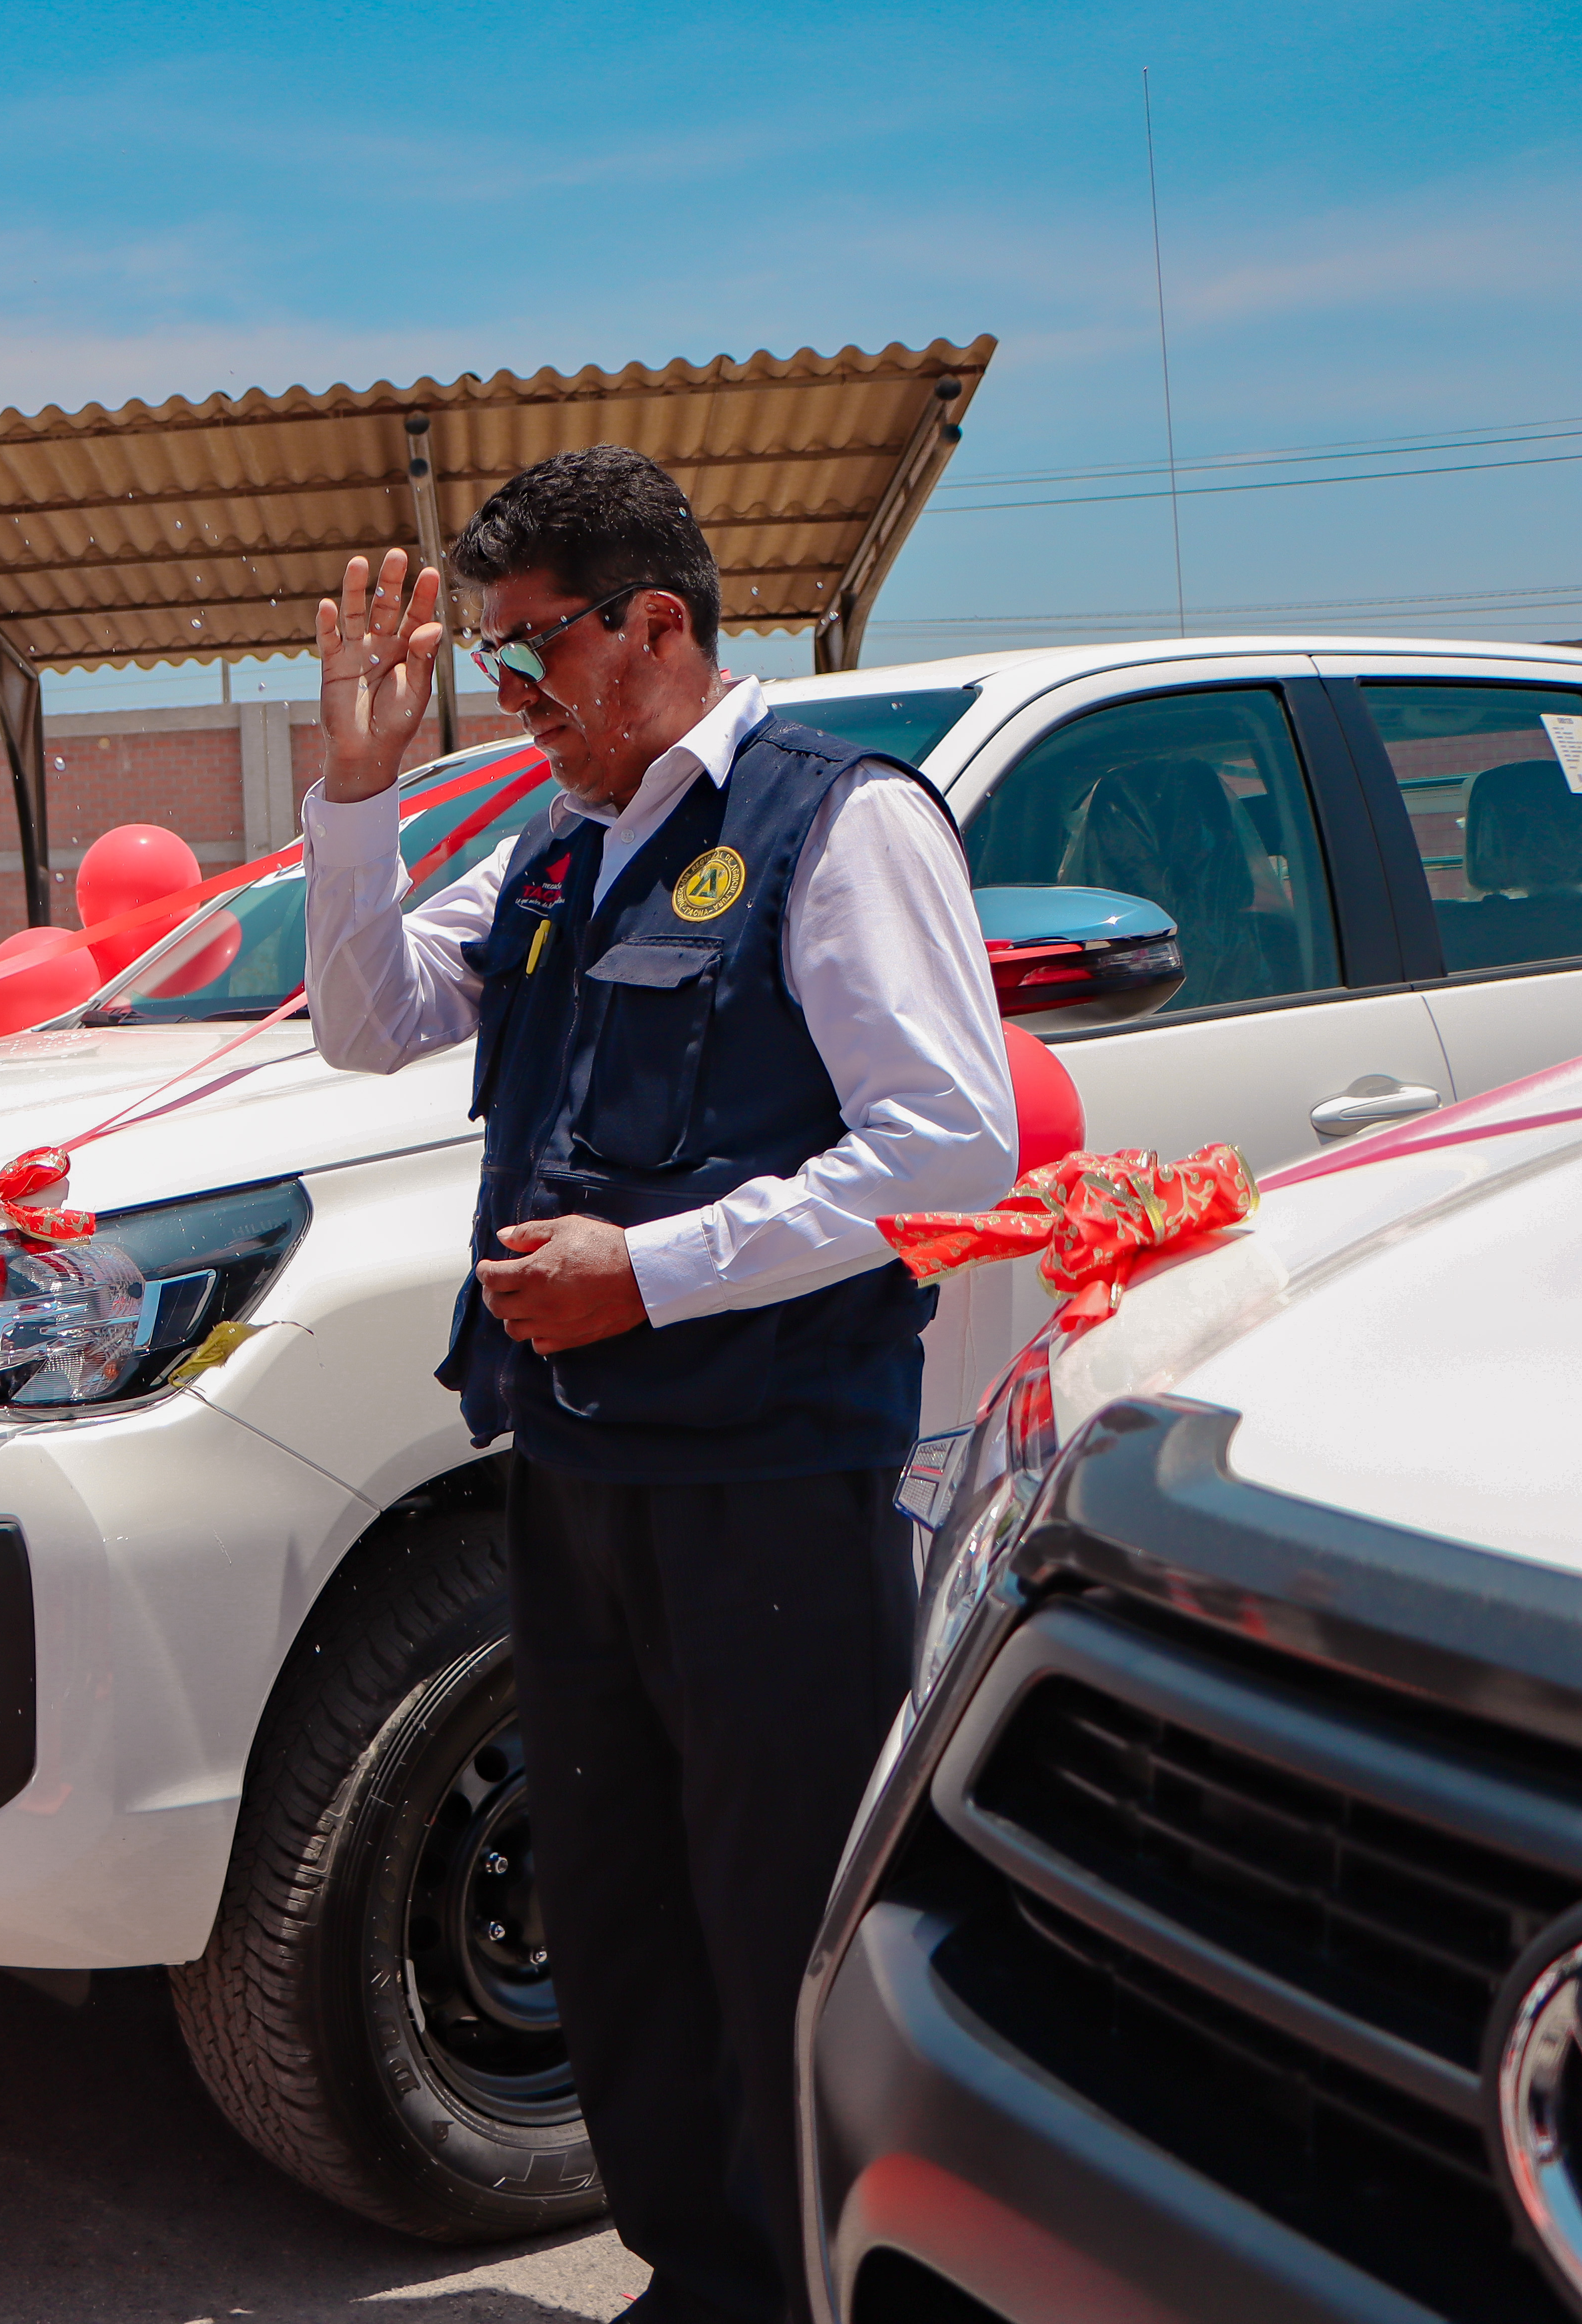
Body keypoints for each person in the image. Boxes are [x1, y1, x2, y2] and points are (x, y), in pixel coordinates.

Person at [298, 447, 1012, 2324]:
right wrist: (356, 802)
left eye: (535, 660)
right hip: (579, 1478)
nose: (513, 703)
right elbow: (368, 1021)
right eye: (499, 670)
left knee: (782, 1926)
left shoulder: (836, 822)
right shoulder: (558, 845)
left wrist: (656, 1276)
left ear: (659, 626)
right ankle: (699, 2276)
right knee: (621, 1917)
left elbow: (949, 1146)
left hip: (770, 1481)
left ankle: (812, 2288)